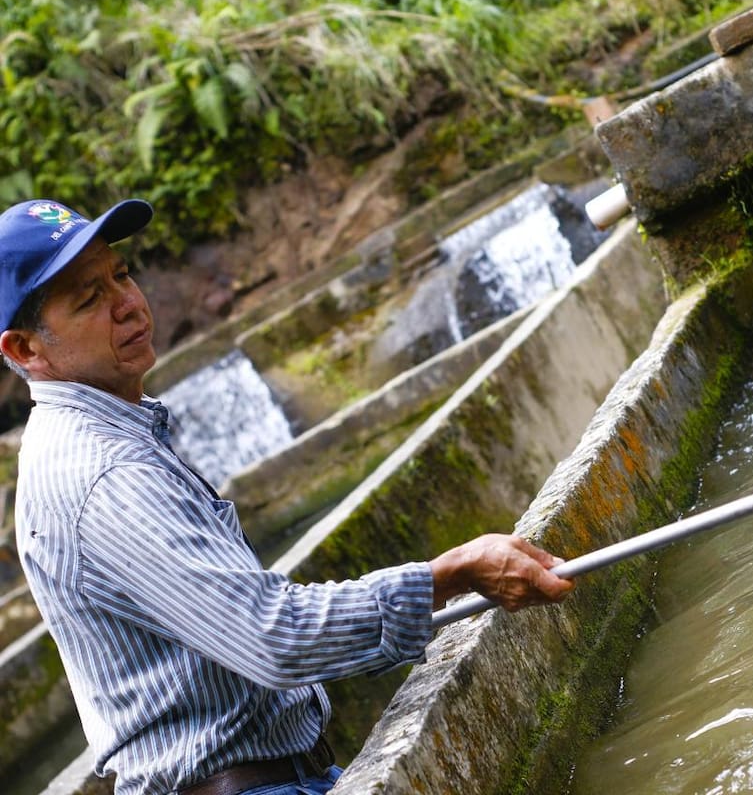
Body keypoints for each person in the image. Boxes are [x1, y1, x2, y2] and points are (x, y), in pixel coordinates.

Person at [0, 198, 575, 795]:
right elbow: (271, 637)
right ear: (25, 350)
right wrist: (452, 573)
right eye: (88, 299)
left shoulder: (101, 436)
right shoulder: (104, 473)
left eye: (120, 274)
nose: (127, 303)